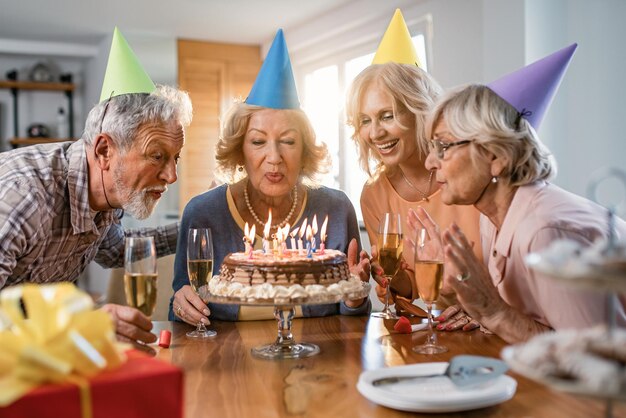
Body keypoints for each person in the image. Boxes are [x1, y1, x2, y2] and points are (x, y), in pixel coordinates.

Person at [411, 43, 626, 343]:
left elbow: (597, 363)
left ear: (496, 156)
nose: (429, 162)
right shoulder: (493, 217)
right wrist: (461, 294)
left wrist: (492, 310)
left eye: (443, 147)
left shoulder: (543, 231)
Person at [0, 28, 193, 347]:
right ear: (104, 151)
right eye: (157, 156)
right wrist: (80, 323)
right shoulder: (26, 197)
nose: (171, 176)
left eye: (175, 158)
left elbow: (117, 249)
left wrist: (197, 219)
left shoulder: (104, 198)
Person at [170, 29, 371, 324]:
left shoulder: (336, 210)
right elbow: (180, 311)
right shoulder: (202, 214)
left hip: (320, 362)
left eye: (288, 141)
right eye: (258, 141)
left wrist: (355, 297)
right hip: (228, 365)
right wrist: (181, 305)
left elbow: (353, 322)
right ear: (240, 149)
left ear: (304, 151)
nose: (274, 157)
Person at [345, 10, 482, 319]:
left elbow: (511, 271)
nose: (375, 132)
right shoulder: (374, 194)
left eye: (387, 115)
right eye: (364, 121)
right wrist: (384, 276)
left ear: (419, 110)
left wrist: (480, 312)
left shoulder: (468, 173)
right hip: (435, 330)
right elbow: (408, 289)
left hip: (495, 328)